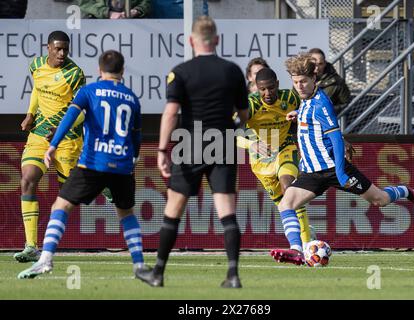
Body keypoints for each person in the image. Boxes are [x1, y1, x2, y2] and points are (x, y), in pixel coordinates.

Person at [273, 54, 414, 264]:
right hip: (312, 172)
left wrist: (340, 172)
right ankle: (296, 250)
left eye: (303, 81)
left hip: (333, 169)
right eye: (295, 82)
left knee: (379, 200)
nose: (299, 86)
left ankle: (405, 190)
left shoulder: (321, 104)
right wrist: (299, 114)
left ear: (314, 80)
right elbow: (311, 116)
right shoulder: (307, 102)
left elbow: (336, 139)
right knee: (286, 204)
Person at [17, 50, 153, 285]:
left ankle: (45, 258)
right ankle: (140, 265)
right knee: (127, 213)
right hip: (121, 164)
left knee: (61, 204)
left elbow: (70, 117)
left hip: (93, 161)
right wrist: (134, 160)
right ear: (122, 71)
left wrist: (53, 145)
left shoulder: (89, 91)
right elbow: (136, 136)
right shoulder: (132, 98)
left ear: (100, 70)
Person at [146, 16, 248, 288]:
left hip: (190, 144)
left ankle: (158, 273)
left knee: (174, 210)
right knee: (227, 212)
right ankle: (233, 274)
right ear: (217, 40)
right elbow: (244, 113)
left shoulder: (181, 71)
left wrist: (161, 149)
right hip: (224, 143)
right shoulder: (233, 71)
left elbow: (170, 113)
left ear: (191, 41)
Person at [15, 31, 86, 263]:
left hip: (67, 141)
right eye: (58, 49)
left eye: (65, 49)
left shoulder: (75, 74)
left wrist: (62, 129)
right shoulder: (36, 65)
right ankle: (31, 246)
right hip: (40, 136)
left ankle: (102, 182)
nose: (62, 53)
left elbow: (83, 111)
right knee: (28, 178)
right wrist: (30, 113)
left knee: (71, 195)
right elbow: (37, 88)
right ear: (48, 48)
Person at [236, 68, 313, 265]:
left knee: (290, 190)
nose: (267, 93)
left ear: (278, 84)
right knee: (284, 205)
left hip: (286, 149)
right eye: (262, 89)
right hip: (261, 162)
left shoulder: (291, 98)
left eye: (271, 88)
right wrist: (251, 143)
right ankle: (301, 243)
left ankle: (303, 247)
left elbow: (315, 112)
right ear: (256, 88)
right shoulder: (250, 104)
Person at [308, 48, 351, 115]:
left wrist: (328, 110)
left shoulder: (337, 82)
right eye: (313, 64)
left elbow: (347, 105)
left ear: (325, 63)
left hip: (325, 122)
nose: (317, 68)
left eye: (320, 64)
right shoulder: (300, 80)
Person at [78, 0, 150, 19]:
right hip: (99, 24)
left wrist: (136, 11)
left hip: (132, 25)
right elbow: (85, 3)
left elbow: (146, 2)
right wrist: (108, 13)